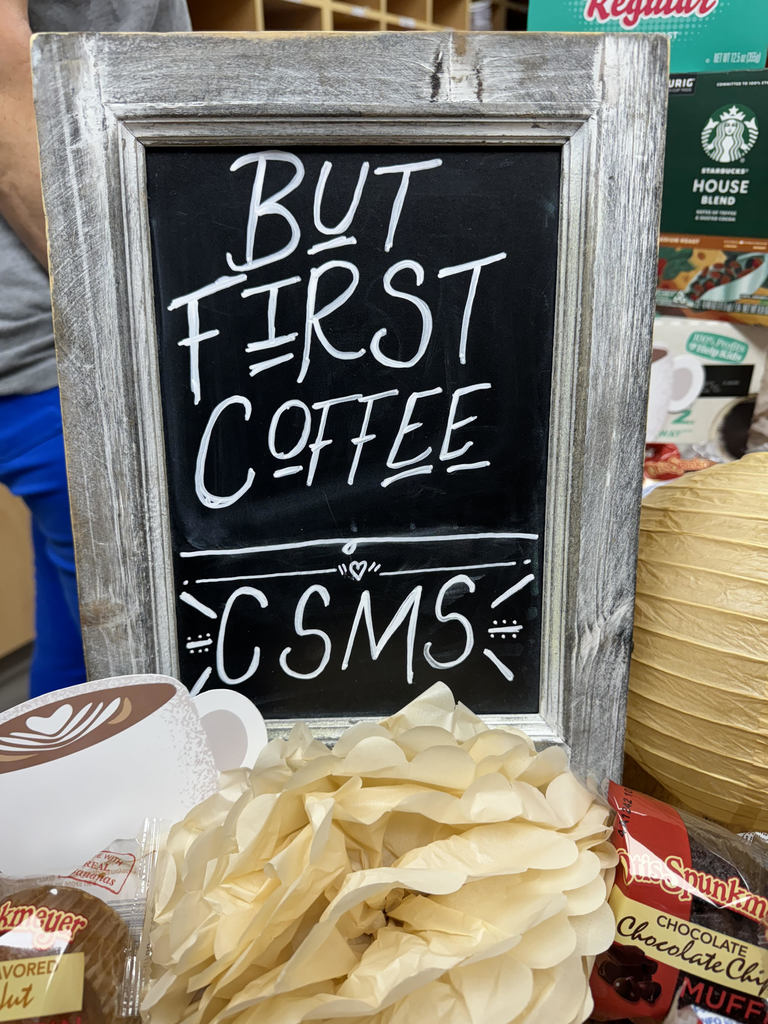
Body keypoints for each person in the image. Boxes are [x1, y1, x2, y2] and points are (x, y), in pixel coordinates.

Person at [0, 0, 191, 697]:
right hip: (67, 342)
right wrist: (127, 311)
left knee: (87, 643)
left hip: (70, 339)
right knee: (138, 668)